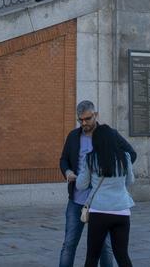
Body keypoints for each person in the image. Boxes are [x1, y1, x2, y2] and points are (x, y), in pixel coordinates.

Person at [59, 100, 135, 267]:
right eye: (81, 120)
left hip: (101, 206)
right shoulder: (73, 136)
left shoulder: (110, 135)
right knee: (69, 244)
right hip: (78, 200)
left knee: (104, 249)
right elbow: (64, 159)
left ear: (96, 115)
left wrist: (115, 172)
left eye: (87, 118)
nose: (84, 123)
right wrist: (68, 172)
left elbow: (131, 153)